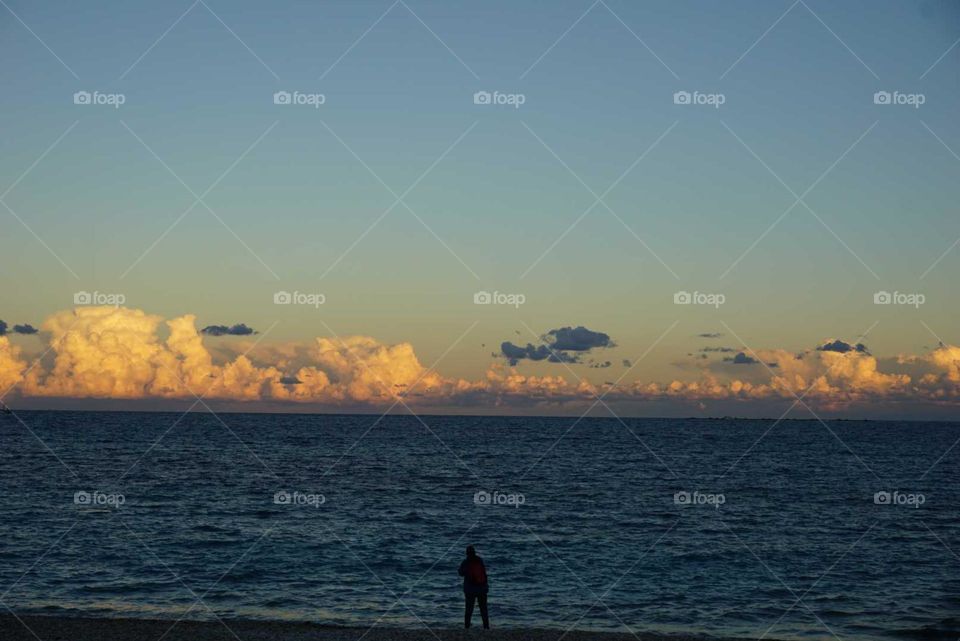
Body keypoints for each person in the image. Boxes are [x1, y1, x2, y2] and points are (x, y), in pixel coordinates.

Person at [458, 545, 489, 629]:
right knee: (483, 609)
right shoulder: (480, 560)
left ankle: (467, 627)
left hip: (470, 589)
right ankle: (486, 627)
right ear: (474, 552)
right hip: (482, 588)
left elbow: (460, 572)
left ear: (467, 553)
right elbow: (484, 573)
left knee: (469, 610)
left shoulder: (466, 562)